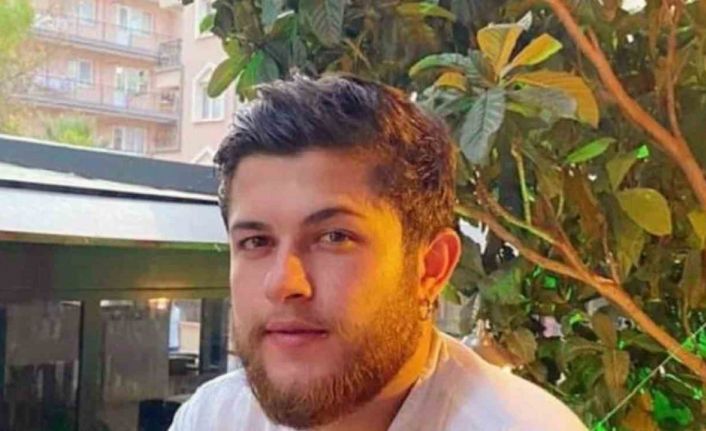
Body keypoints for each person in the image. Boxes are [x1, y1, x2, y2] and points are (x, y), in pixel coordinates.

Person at [168, 75, 588, 431]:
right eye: (256, 242)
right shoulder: (213, 417)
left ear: (431, 267)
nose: (282, 283)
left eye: (334, 237)